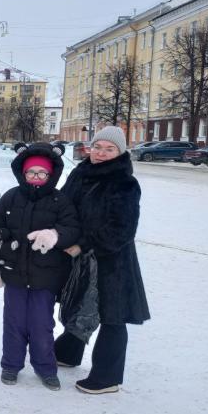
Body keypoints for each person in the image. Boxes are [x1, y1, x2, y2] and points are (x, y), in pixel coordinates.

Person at [53, 126, 150, 394]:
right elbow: (63, 207)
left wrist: (81, 245)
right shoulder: (80, 173)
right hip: (77, 256)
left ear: (120, 152)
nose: (102, 153)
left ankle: (108, 377)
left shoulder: (125, 183)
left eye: (110, 149)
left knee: (112, 316)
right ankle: (68, 353)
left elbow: (122, 229)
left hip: (112, 262)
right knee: (79, 303)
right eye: (98, 147)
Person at [0, 142, 80, 391]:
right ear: (23, 173)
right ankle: (11, 365)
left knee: (41, 325)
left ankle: (46, 368)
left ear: (51, 174)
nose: (36, 177)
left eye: (42, 173)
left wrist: (55, 235)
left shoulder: (60, 200)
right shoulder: (11, 197)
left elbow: (73, 230)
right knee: (13, 322)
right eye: (31, 172)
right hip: (14, 274)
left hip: (45, 277)